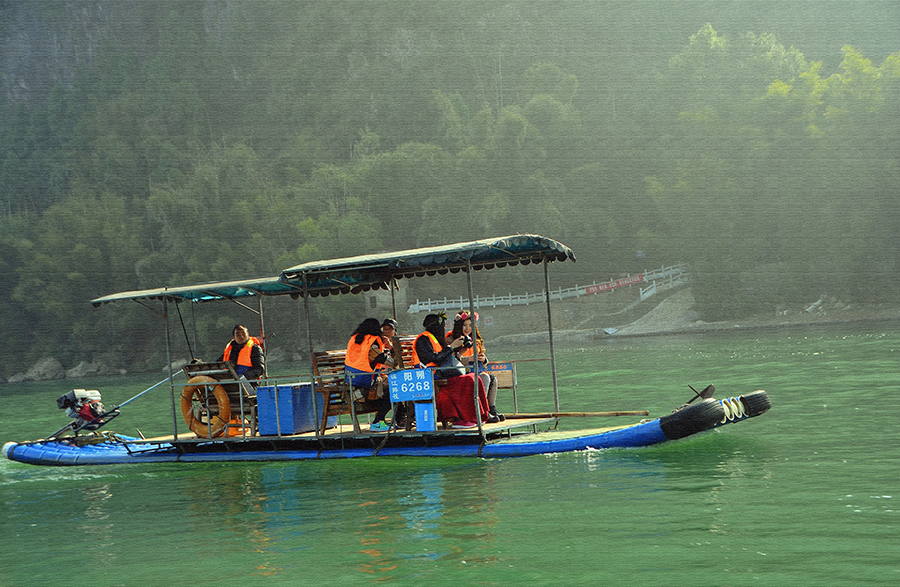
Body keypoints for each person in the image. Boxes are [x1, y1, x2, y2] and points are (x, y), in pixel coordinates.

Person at [413, 313, 489, 429]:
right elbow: (434, 358)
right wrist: (451, 347)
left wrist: (462, 349)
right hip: (431, 374)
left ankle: (476, 415)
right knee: (467, 380)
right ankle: (461, 419)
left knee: (474, 377)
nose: (443, 329)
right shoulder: (423, 339)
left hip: (443, 372)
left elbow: (447, 358)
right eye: (441, 326)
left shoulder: (437, 339)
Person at [447, 311, 503, 422]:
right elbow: (450, 360)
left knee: (493, 379)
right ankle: (482, 412)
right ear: (459, 325)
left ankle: (491, 408)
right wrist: (469, 359)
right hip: (458, 375)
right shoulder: (451, 339)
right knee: (484, 378)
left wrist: (484, 359)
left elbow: (484, 362)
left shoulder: (475, 339)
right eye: (464, 325)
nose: (467, 328)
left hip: (474, 371)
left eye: (470, 325)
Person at [345, 318, 395, 432]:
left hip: (351, 381)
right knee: (392, 391)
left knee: (387, 388)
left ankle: (391, 420)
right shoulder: (371, 342)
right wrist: (391, 348)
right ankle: (377, 422)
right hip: (364, 387)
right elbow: (390, 362)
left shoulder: (354, 339)